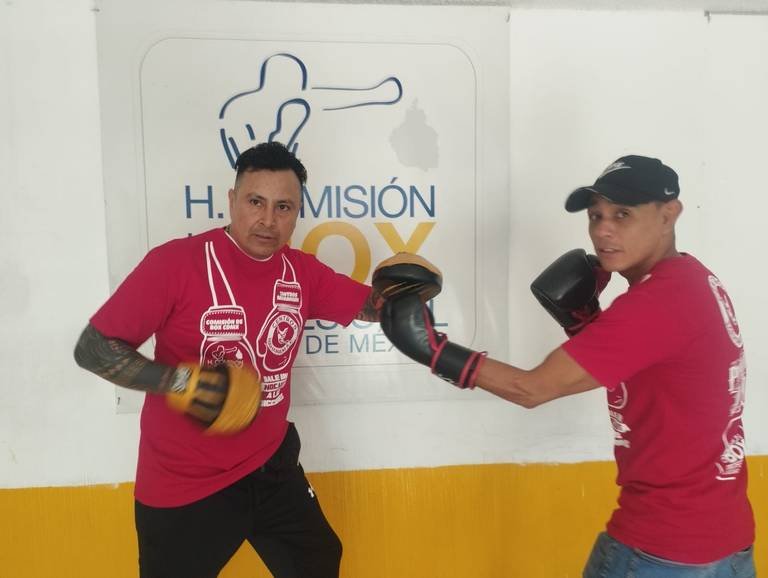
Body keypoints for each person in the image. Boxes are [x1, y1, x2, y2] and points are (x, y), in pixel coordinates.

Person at [74, 141, 440, 578]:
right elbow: (94, 347)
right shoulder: (174, 264)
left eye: (283, 207)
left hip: (270, 467)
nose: (268, 220)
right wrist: (182, 383)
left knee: (318, 560)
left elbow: (367, 306)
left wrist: (398, 298)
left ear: (297, 212)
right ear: (232, 201)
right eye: (255, 202)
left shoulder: (302, 272)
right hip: (184, 483)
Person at [377, 155, 756, 577]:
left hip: (661, 550)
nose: (603, 230)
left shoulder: (655, 303)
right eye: (595, 216)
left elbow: (532, 389)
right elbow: (651, 376)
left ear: (669, 215)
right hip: (727, 548)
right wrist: (585, 322)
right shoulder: (693, 280)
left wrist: (432, 349)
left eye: (623, 215)